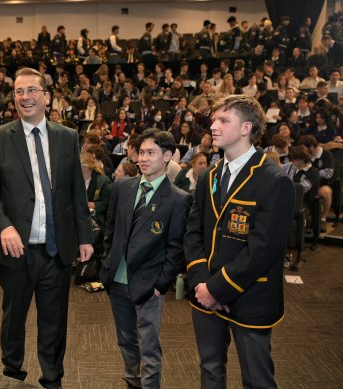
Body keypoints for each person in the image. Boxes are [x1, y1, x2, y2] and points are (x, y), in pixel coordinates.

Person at [0, 67, 94, 389]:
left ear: (46, 96)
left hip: (57, 251)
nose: (24, 97)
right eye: (18, 92)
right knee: (13, 321)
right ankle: (12, 376)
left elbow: (75, 193)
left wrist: (85, 235)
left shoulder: (67, 137)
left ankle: (52, 380)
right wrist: (3, 227)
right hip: (16, 252)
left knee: (54, 324)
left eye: (31, 90)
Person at [184, 94, 295, 389]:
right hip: (204, 292)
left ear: (246, 128)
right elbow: (193, 232)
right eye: (213, 120)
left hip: (250, 296)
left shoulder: (274, 180)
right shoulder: (209, 175)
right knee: (210, 371)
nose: (214, 126)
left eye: (223, 120)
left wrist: (217, 288)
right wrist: (201, 284)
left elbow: (264, 248)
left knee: (257, 379)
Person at [100, 130, 192, 389]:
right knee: (125, 340)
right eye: (141, 152)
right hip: (117, 278)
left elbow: (176, 249)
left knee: (149, 346)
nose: (143, 158)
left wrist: (160, 283)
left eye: (150, 152)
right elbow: (111, 230)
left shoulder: (178, 199)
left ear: (167, 156)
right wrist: (108, 262)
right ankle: (132, 382)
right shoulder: (122, 187)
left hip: (149, 285)